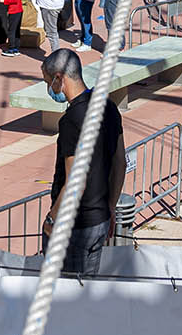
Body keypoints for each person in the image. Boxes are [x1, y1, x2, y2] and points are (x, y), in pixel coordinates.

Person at [41, 50, 125, 276]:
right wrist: (111, 206)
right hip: (100, 218)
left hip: (76, 226)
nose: (49, 88)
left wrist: (51, 219)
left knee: (67, 294)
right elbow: (120, 162)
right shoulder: (108, 107)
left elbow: (74, 184)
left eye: (48, 82)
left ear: (59, 78)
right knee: (86, 291)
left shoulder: (70, 122)